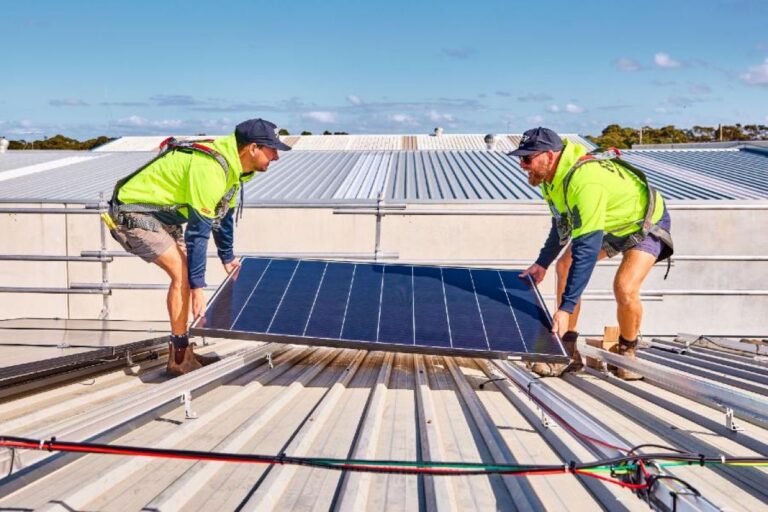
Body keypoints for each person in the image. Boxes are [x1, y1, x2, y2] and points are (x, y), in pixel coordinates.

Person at [108, 119, 291, 376]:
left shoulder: (234, 169)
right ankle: (179, 359)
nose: (276, 157)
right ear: (252, 148)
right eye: (272, 150)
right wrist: (198, 288)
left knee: (186, 275)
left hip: (163, 217)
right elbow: (198, 233)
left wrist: (227, 257)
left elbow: (223, 214)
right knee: (183, 275)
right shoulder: (211, 168)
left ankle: (181, 353)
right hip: (134, 212)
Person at [509, 127, 673, 378]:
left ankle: (627, 351)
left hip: (645, 224)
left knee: (624, 287)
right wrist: (542, 262)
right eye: (521, 158)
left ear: (550, 156)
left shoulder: (585, 182)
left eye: (528, 158)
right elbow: (561, 225)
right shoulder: (550, 180)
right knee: (562, 265)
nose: (523, 165)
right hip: (610, 223)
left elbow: (586, 249)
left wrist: (566, 307)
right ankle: (568, 352)